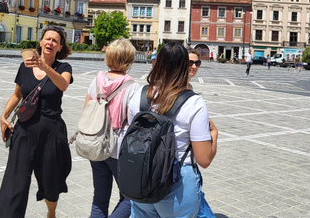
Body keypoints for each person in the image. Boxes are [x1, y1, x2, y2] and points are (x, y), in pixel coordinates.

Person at [128, 42, 218, 218]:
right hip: (177, 181)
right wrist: (214, 134)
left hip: (141, 175)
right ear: (184, 66)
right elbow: (204, 159)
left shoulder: (139, 94)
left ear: (158, 62)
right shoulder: (193, 103)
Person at [0, 26, 73, 218]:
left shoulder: (63, 68)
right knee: (16, 182)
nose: (50, 43)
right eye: (47, 39)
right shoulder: (25, 66)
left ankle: (51, 214)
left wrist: (44, 67)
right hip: (24, 130)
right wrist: (4, 115)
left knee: (50, 183)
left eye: (55, 40)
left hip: (51, 132)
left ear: (60, 47)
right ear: (41, 42)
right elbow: (17, 95)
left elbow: (63, 84)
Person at [83, 39, 140, 218]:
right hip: (118, 149)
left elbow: (87, 109)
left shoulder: (97, 80)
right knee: (130, 199)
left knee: (99, 197)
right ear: (129, 60)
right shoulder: (132, 87)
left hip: (96, 143)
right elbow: (134, 123)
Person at [187, 48, 215, 218]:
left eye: (197, 63)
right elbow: (204, 160)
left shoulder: (189, 88)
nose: (194, 66)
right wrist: (215, 134)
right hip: (183, 167)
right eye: (190, 62)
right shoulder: (192, 98)